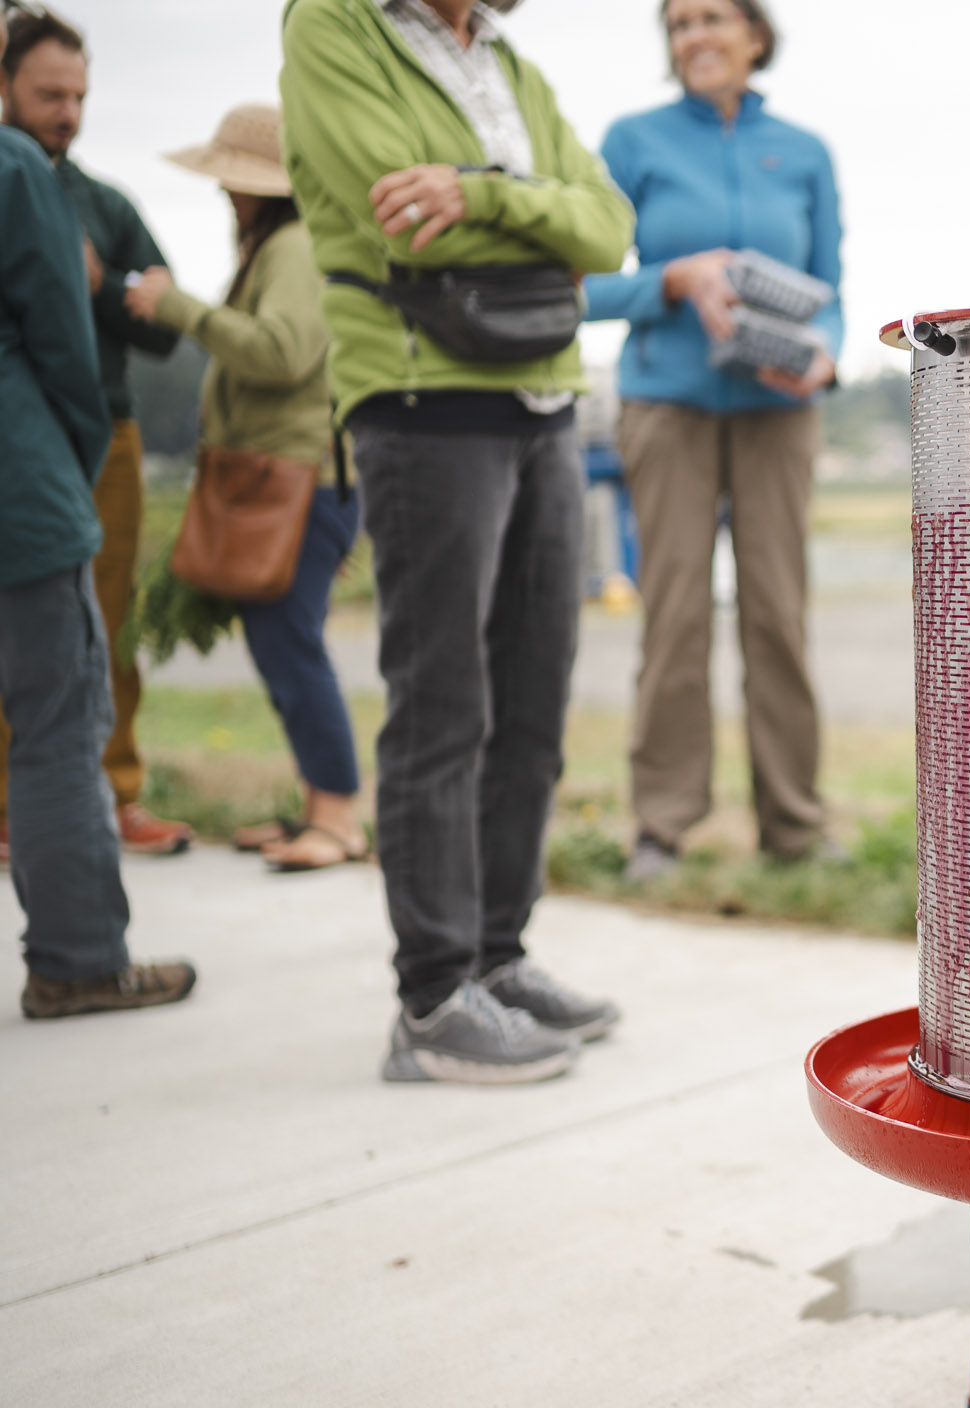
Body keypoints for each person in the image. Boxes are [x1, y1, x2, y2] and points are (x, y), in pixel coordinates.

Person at [281, 0, 632, 1082]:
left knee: (531, 703)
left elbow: (609, 228)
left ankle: (496, 955)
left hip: (543, 398)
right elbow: (401, 222)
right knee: (443, 703)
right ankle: (434, 1002)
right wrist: (544, 225)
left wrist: (477, 193)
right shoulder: (334, 25)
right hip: (423, 397)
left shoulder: (506, 58)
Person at [585, 0, 843, 879]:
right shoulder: (633, 142)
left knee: (778, 616)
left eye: (713, 17)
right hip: (667, 410)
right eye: (680, 22)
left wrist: (824, 357)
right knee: (676, 618)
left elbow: (832, 289)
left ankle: (796, 826)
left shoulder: (804, 152)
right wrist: (673, 278)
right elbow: (581, 285)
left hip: (781, 414)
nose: (695, 35)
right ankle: (662, 825)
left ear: (754, 35)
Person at [0, 16, 196, 1021]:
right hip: (26, 476)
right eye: (48, 93)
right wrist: (62, 468)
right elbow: (65, 350)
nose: (67, 113)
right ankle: (77, 957)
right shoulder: (17, 173)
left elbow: (150, 311)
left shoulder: (106, 201)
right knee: (59, 716)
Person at [122, 104, 368, 874]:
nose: (225, 194)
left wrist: (177, 308)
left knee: (291, 647)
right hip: (295, 481)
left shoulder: (293, 246)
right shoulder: (286, 244)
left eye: (233, 180)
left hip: (295, 483)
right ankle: (319, 806)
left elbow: (282, 352)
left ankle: (337, 818)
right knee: (282, 645)